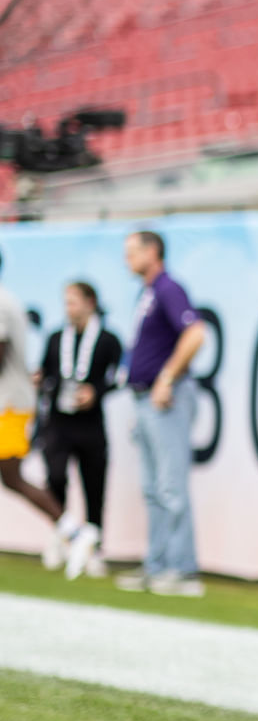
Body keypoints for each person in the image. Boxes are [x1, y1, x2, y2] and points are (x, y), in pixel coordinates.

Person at [114, 230, 207, 597]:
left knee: (171, 487)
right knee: (153, 489)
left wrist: (166, 378)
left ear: (152, 252)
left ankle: (182, 570)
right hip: (146, 400)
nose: (126, 260)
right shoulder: (148, 293)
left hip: (165, 400)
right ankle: (157, 564)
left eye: (131, 252)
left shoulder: (168, 288)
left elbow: (195, 333)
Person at [33, 281, 122, 579]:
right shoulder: (57, 338)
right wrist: (39, 379)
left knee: (93, 485)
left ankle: (94, 547)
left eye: (73, 302)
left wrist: (94, 392)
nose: (68, 308)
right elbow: (46, 371)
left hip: (90, 423)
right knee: (55, 477)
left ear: (89, 303)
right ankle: (62, 536)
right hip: (59, 422)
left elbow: (117, 377)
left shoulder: (108, 340)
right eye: (66, 302)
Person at [0, 246, 66, 554]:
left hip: (9, 403)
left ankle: (72, 530)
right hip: (9, 401)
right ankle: (71, 529)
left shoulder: (1, 301)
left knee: (12, 476)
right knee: (11, 478)